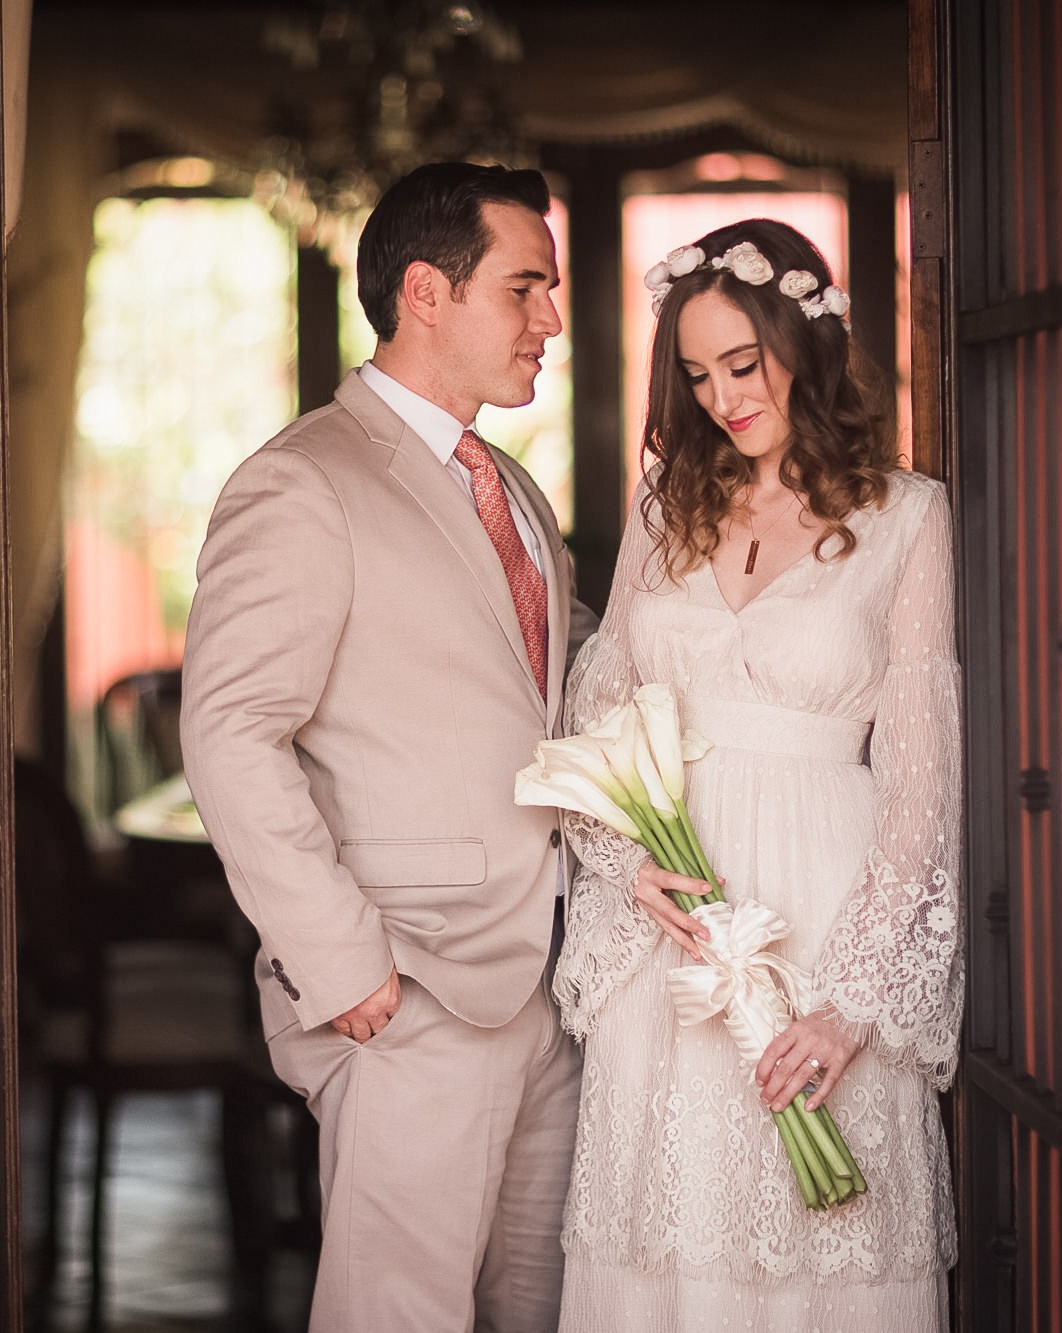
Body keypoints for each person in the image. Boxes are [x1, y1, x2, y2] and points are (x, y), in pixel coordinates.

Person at [179, 161, 598, 1333]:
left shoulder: (509, 485)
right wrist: (342, 960)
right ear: (426, 290)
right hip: (406, 989)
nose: (550, 319)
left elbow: (564, 684)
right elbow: (227, 728)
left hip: (553, 986)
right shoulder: (302, 480)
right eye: (525, 288)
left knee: (539, 1309)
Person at [551, 218, 963, 1331]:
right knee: (665, 1242)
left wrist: (846, 1011)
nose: (723, 396)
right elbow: (598, 708)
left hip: (825, 917)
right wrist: (627, 859)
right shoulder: (662, 511)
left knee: (819, 1244)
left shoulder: (906, 516)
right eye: (696, 373)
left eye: (743, 362)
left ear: (806, 344)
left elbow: (923, 787)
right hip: (674, 933)